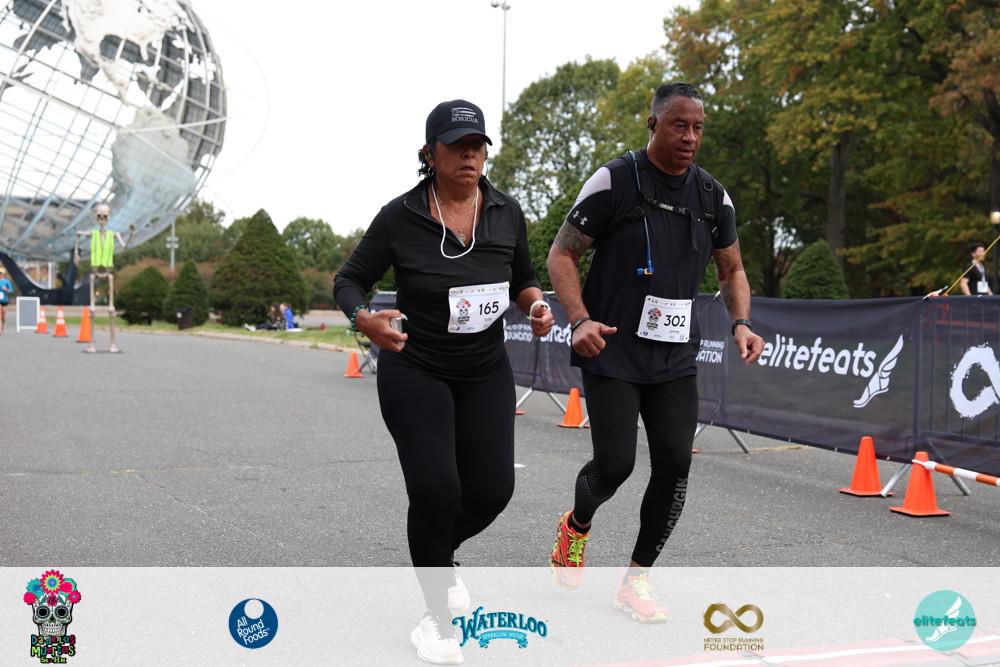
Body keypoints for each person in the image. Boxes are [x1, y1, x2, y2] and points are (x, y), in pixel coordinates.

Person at [334, 99, 553, 663]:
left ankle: (437, 553)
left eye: (477, 145)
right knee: (436, 490)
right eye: (457, 146)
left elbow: (524, 277)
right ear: (430, 154)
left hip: (484, 370)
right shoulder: (400, 215)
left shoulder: (506, 211)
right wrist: (363, 318)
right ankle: (436, 619)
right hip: (416, 367)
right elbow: (349, 279)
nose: (469, 155)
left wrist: (534, 305)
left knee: (492, 491)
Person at [546, 82, 764, 622]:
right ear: (653, 124)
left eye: (698, 128)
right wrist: (579, 319)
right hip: (612, 347)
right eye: (678, 125)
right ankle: (576, 525)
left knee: (675, 464)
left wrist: (741, 323)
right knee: (615, 465)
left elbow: (732, 269)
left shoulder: (713, 197)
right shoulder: (615, 179)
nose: (690, 137)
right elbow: (562, 254)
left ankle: (636, 580)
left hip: (674, 356)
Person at [73, 204, 135, 353]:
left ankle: (113, 344)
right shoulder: (93, 233)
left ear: (108, 218)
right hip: (95, 271)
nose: (102, 220)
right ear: (96, 218)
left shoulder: (114, 234)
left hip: (108, 270)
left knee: (111, 309)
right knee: (92, 309)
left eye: (104, 217)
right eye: (99, 217)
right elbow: (78, 234)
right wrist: (76, 253)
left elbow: (125, 246)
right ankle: (92, 344)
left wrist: (131, 233)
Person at [0, 267, 12, 333]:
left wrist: (6, 289)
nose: (0, 274)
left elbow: (11, 291)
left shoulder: (6, 282)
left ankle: (3, 324)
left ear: (3, 274)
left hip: (4, 300)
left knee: (3, 316)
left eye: (1, 273)